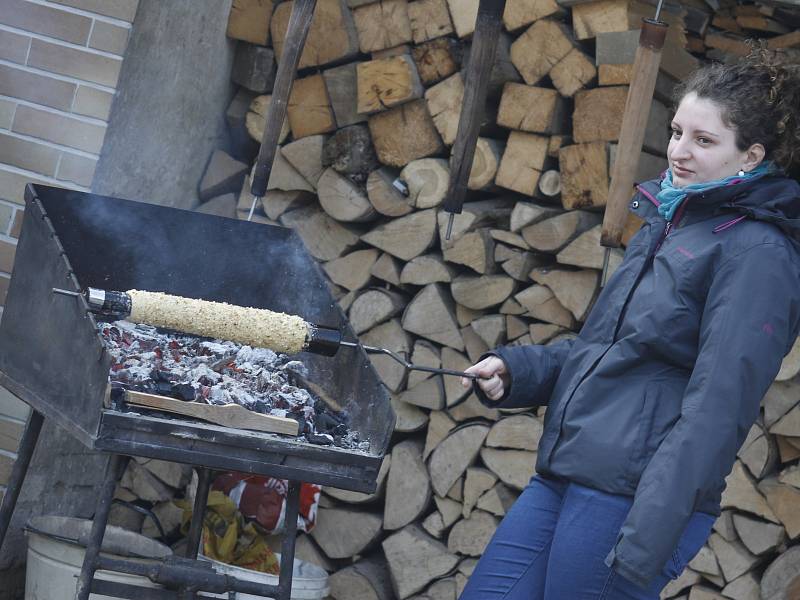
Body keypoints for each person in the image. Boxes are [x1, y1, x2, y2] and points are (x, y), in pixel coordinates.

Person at [458, 45, 800, 600]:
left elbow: (718, 408)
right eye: (676, 132)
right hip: (567, 473)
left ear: (751, 156)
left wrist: (645, 538)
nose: (679, 153)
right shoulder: (670, 223)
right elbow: (612, 349)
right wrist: (518, 370)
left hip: (631, 500)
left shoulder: (757, 253)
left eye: (704, 140)